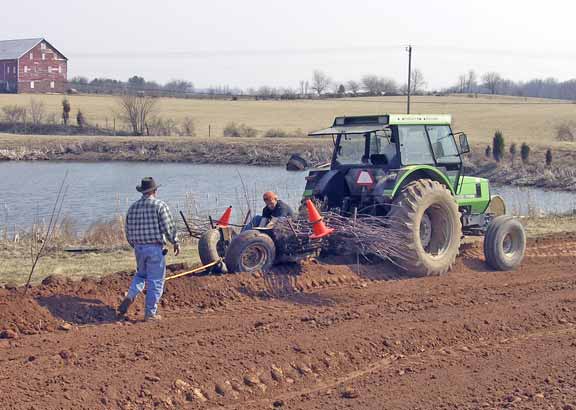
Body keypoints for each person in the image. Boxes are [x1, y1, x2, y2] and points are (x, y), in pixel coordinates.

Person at [118, 177, 180, 321]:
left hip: (139, 248)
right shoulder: (160, 206)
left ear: (142, 191)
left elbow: (128, 230)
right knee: (156, 280)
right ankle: (150, 314)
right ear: (154, 190)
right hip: (155, 248)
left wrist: (135, 245)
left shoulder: (133, 208)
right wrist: (175, 241)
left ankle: (130, 295)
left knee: (141, 275)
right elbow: (168, 227)